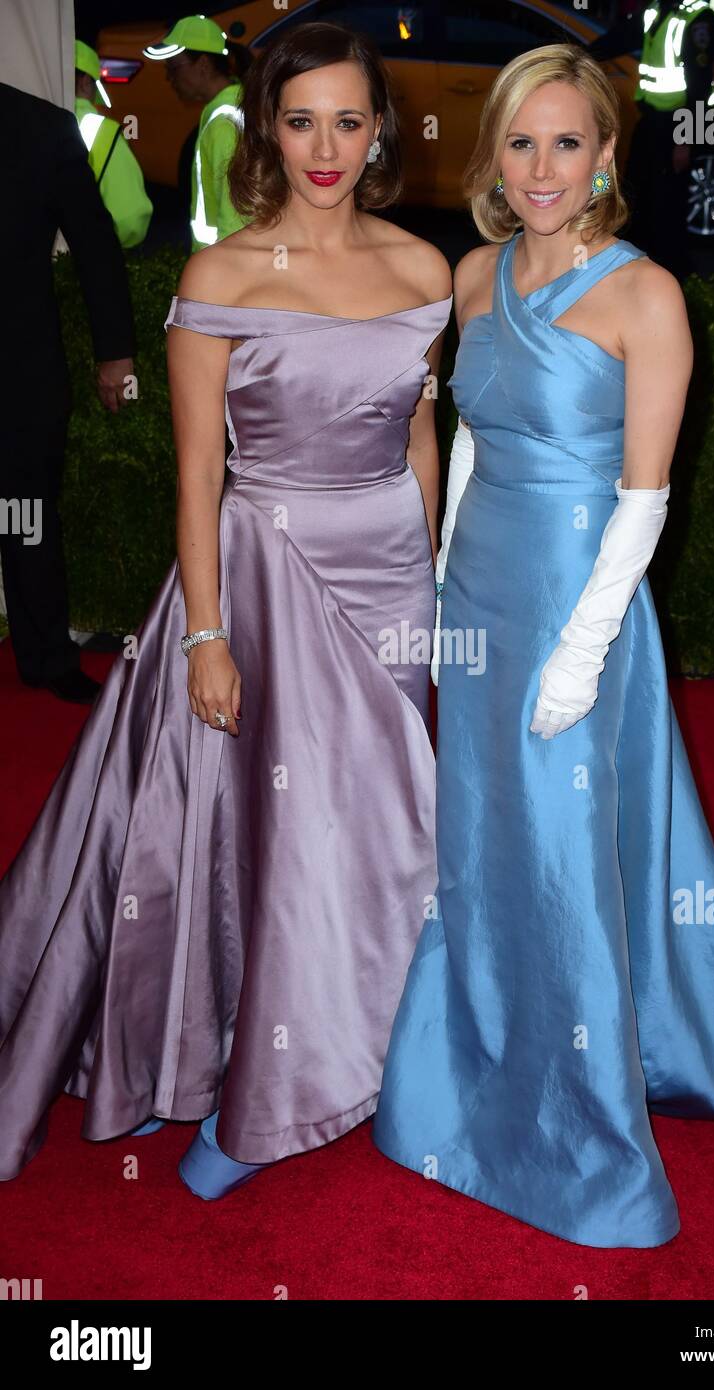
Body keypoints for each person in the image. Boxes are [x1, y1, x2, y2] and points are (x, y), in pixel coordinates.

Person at [371, 44, 714, 1248]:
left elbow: (645, 500)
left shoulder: (645, 295)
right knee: (481, 840)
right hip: (482, 599)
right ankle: (470, 1057)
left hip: (577, 609)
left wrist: (580, 654)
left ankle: (573, 1115)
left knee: (560, 848)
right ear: (494, 149)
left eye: (568, 144)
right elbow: (473, 437)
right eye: (522, 142)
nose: (542, 168)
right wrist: (441, 593)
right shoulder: (475, 274)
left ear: (605, 157)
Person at [0, 22, 452, 1199]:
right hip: (261, 571)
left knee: (382, 818)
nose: (325, 146)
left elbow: (419, 438)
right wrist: (203, 632)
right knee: (284, 832)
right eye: (301, 119)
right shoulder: (222, 274)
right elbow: (198, 474)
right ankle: (260, 1082)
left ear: (378, 133)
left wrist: (438, 591)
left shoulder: (422, 269)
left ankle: (376, 1046)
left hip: (390, 573)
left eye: (349, 121)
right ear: (266, 129)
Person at [0, 81, 136, 705]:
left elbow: (94, 243)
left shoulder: (39, 126)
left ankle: (45, 653)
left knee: (24, 515)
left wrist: (115, 351)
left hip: (19, 373)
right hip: (25, 372)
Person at [589, 1, 714, 278]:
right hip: (651, 119)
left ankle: (672, 273)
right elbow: (622, 38)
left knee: (668, 203)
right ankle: (636, 266)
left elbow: (699, 83)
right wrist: (581, 54)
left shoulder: (698, 17)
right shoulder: (656, 9)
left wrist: (685, 141)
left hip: (678, 124)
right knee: (638, 190)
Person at [144, 14, 252, 251]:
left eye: (173, 68)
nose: (169, 78)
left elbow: (234, 214)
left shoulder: (224, 120)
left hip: (223, 269)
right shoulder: (230, 107)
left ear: (203, 64)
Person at [74, 39, 153, 249]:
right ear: (84, 82)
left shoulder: (19, 119)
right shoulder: (100, 130)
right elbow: (130, 218)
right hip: (77, 260)